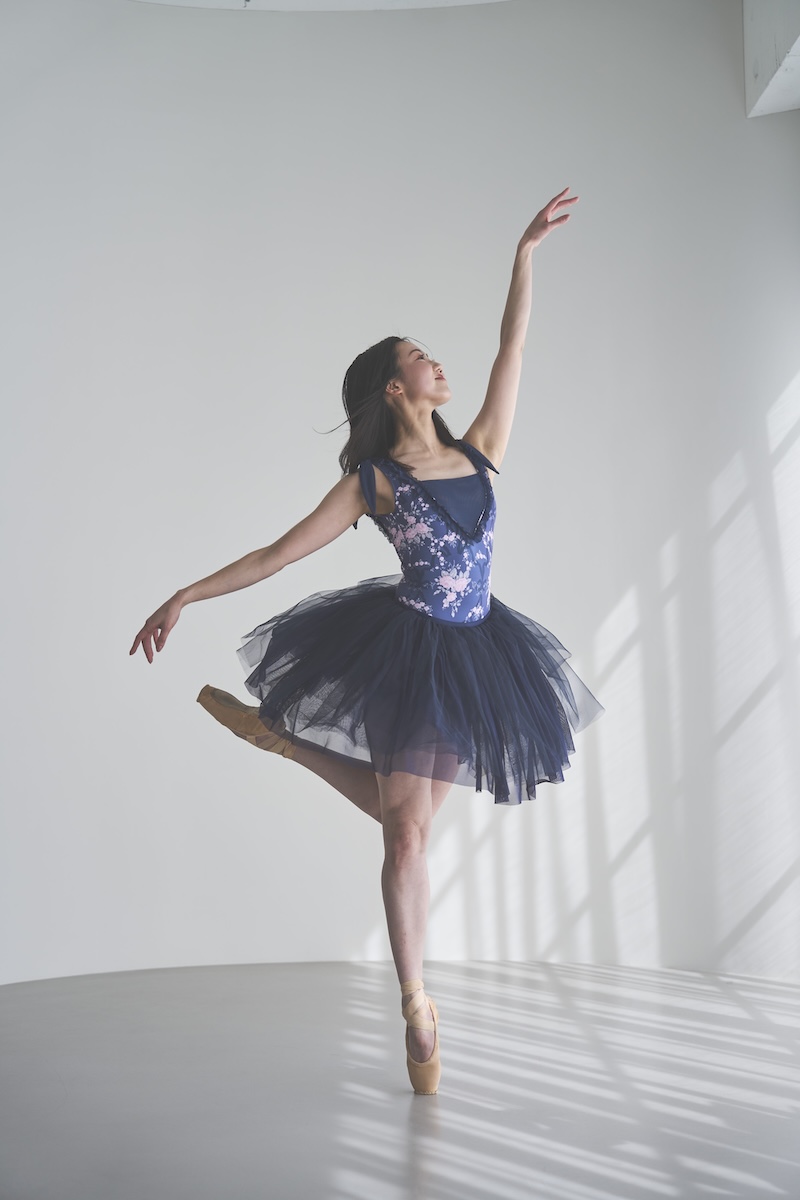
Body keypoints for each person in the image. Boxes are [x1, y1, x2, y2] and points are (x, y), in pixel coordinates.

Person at [129, 187, 605, 1095]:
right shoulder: (374, 482)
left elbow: (511, 350)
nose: (436, 361)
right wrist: (184, 594)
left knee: (404, 819)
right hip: (409, 651)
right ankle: (417, 1005)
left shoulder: (480, 449)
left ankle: (284, 741)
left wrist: (524, 256)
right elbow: (277, 553)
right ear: (395, 386)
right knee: (407, 841)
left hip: (480, 654)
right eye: (419, 356)